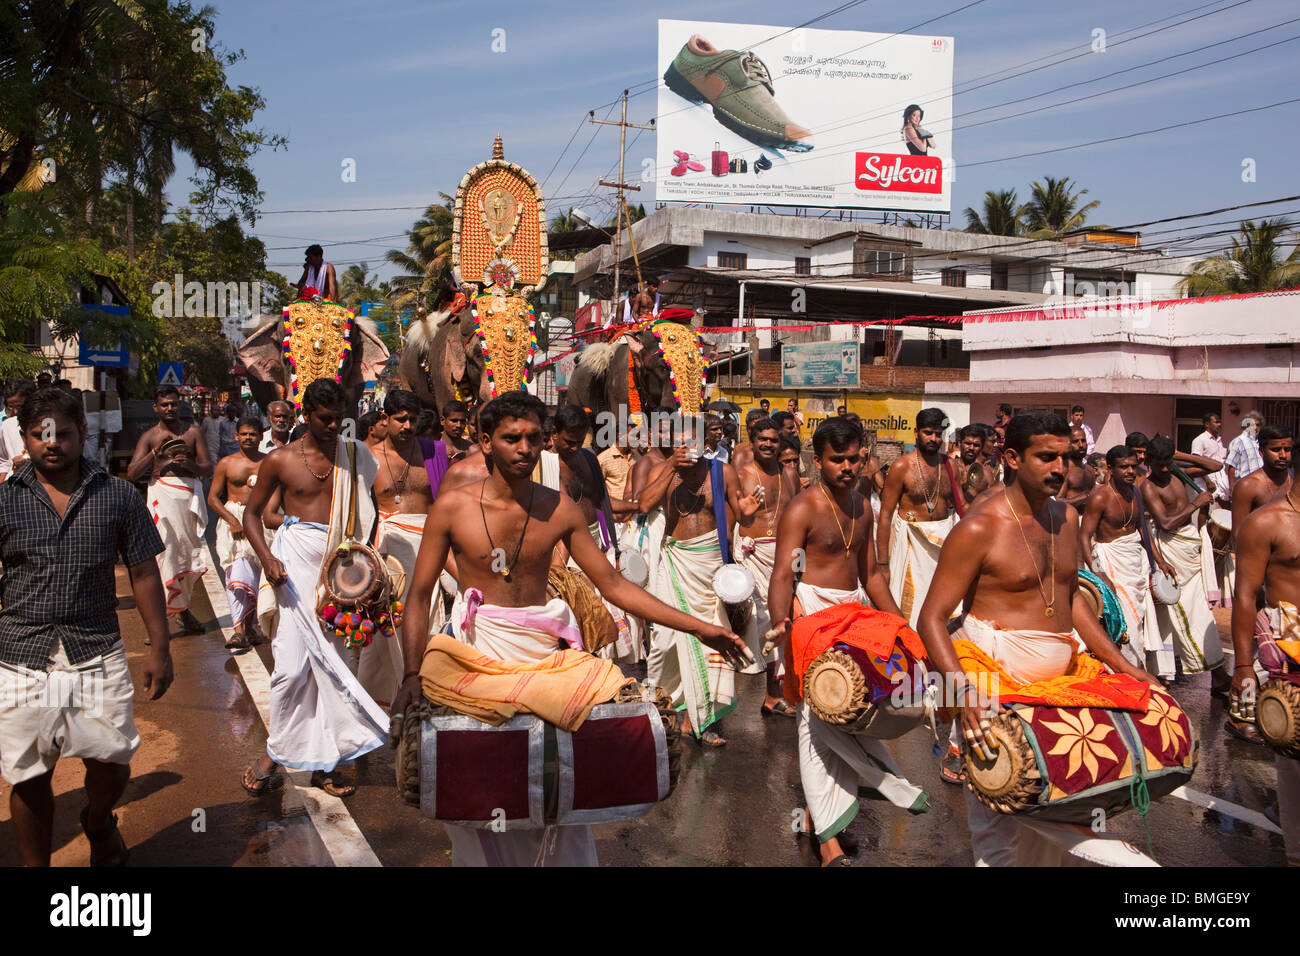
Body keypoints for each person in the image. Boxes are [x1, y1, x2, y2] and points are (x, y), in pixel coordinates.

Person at [393, 392, 749, 866]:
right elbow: (418, 596)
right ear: (484, 441)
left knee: (558, 772)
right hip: (475, 656)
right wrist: (411, 675)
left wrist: (700, 627)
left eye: (534, 439)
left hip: (544, 654)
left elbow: (614, 585)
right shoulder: (453, 507)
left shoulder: (559, 509)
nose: (525, 448)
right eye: (511, 438)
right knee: (479, 780)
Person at [916, 413, 1160, 866]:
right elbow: (930, 618)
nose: (1059, 468)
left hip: (1059, 690)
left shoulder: (1066, 517)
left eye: (1066, 457)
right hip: (992, 689)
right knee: (1000, 826)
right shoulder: (979, 527)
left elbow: (1071, 600)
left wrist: (1122, 664)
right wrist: (962, 689)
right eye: (1046, 457)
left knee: (1063, 809)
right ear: (1011, 457)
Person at [0, 388, 172, 866]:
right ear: (25, 436)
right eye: (39, 435)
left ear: (83, 433)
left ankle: (98, 820)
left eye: (63, 434)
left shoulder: (116, 496)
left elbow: (142, 572)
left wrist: (160, 647)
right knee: (28, 775)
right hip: (20, 654)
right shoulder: (3, 501)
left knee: (111, 763)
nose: (51, 444)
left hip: (94, 649)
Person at [767, 418, 924, 866]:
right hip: (811, 619)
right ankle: (828, 843)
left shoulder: (863, 505)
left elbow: (871, 573)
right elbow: (783, 572)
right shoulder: (803, 508)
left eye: (856, 458)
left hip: (853, 616)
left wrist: (900, 625)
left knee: (850, 717)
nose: (849, 467)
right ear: (819, 461)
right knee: (816, 724)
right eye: (838, 459)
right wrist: (782, 620)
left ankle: (824, 822)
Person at [239, 379, 390, 798]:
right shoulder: (280, 460)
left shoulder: (356, 456)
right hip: (293, 566)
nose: (332, 427)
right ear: (306, 415)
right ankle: (277, 752)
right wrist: (268, 560)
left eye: (338, 419)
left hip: (341, 568)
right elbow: (253, 515)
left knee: (335, 665)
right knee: (290, 669)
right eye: (324, 419)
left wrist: (368, 565)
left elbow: (374, 511)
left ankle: (324, 762)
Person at [638, 413, 762, 746]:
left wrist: (747, 513)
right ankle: (672, 712)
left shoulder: (722, 472)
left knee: (712, 641)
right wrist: (670, 468)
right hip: (675, 562)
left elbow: (739, 515)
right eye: (683, 440)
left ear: (706, 441)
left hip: (712, 568)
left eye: (697, 439)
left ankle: (701, 719)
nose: (690, 446)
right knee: (666, 642)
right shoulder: (661, 470)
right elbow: (645, 505)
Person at [1230, 483, 1300, 865]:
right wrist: (1243, 666)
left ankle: (1282, 809)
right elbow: (1245, 594)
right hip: (1292, 653)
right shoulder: (1267, 522)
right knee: (1295, 758)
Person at [363, 389, 447, 706]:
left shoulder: (433, 454)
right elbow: (361, 515)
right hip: (389, 555)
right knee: (389, 630)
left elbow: (444, 507)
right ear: (384, 418)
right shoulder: (367, 456)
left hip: (430, 547)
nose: (408, 426)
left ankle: (430, 695)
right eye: (401, 419)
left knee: (434, 626)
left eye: (412, 419)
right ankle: (388, 704)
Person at [1141, 436, 1229, 692]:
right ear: (1149, 462)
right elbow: (1166, 523)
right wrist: (1196, 503)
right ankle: (1206, 672)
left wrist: (1179, 453)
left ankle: (1217, 673)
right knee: (1183, 613)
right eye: (1159, 464)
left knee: (1201, 611)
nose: (1165, 469)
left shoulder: (1178, 471)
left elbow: (1216, 466)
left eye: (1168, 462)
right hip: (1172, 549)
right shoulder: (1149, 487)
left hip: (1190, 545)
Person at [1081, 445, 1175, 679]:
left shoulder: (1136, 492)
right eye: (1124, 467)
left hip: (1136, 561)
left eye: (1134, 466)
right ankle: (1121, 673)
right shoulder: (1100, 496)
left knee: (1140, 620)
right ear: (1110, 468)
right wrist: (1098, 573)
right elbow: (1083, 536)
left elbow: (1143, 531)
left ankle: (1136, 670)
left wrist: (1159, 560)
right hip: (1111, 561)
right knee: (1122, 618)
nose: (1131, 471)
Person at [126, 386, 212, 635]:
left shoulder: (193, 432)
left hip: (187, 501)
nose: (170, 408)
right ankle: (160, 624)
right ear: (156, 407)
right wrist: (155, 454)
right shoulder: (150, 437)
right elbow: (132, 473)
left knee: (184, 555)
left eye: (174, 403)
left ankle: (182, 611)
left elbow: (208, 468)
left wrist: (191, 464)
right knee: (164, 555)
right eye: (164, 404)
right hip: (161, 500)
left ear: (180, 404)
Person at [734, 418, 799, 715]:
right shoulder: (741, 475)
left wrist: (800, 559)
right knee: (752, 624)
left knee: (780, 626)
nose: (769, 445)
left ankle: (773, 696)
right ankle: (724, 695)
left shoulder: (789, 475)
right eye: (763, 439)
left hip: (783, 557)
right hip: (752, 557)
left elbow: (799, 516)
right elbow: (731, 517)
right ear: (752, 441)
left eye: (774, 440)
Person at [877, 408, 958, 627]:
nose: (934, 439)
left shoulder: (950, 466)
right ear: (916, 433)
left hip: (943, 551)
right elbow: (885, 516)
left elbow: (963, 507)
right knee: (909, 615)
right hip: (911, 549)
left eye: (939, 434)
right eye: (928, 433)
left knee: (945, 614)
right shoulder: (902, 467)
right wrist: (883, 564)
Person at [207, 416, 279, 653]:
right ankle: (238, 631)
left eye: (253, 434)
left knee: (258, 575)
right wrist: (232, 520)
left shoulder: (270, 462)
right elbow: (213, 497)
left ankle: (250, 628)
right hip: (234, 525)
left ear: (261, 436)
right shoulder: (226, 463)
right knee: (237, 571)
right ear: (236, 436)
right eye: (244, 434)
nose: (248, 438)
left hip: (260, 523)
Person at [1231, 426, 1294, 532]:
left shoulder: (1295, 483)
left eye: (1287, 449)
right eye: (1276, 450)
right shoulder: (1247, 486)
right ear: (1261, 451)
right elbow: (1238, 534)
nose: (1283, 455)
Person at [0, 380, 35, 480]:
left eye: (19, 406)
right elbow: (4, 462)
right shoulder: (7, 425)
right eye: (11, 407)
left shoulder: (47, 424)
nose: (15, 411)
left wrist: (26, 460)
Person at [1191, 411, 1229, 503]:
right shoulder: (1200, 440)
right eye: (1216, 422)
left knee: (1225, 504)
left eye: (1220, 422)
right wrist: (1208, 481)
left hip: (1221, 478)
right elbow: (1196, 462)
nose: (1219, 424)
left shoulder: (1219, 440)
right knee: (1205, 506)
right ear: (1207, 424)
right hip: (1206, 479)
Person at [952, 424, 991, 510]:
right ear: (959, 443)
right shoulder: (950, 468)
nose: (971, 448)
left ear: (981, 447)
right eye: (968, 443)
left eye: (976, 445)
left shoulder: (986, 473)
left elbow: (991, 502)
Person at [1226, 412, 1265, 496]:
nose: (1255, 428)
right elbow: (1231, 467)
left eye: (1258, 425)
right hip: (1244, 485)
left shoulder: (1259, 442)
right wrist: (1231, 488)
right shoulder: (1238, 441)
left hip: (1259, 485)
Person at [1056, 426, 1095, 507]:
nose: (1081, 445)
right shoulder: (1064, 470)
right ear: (1068, 444)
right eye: (1075, 441)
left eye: (1083, 441)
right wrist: (1084, 497)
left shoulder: (1090, 470)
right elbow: (1057, 501)